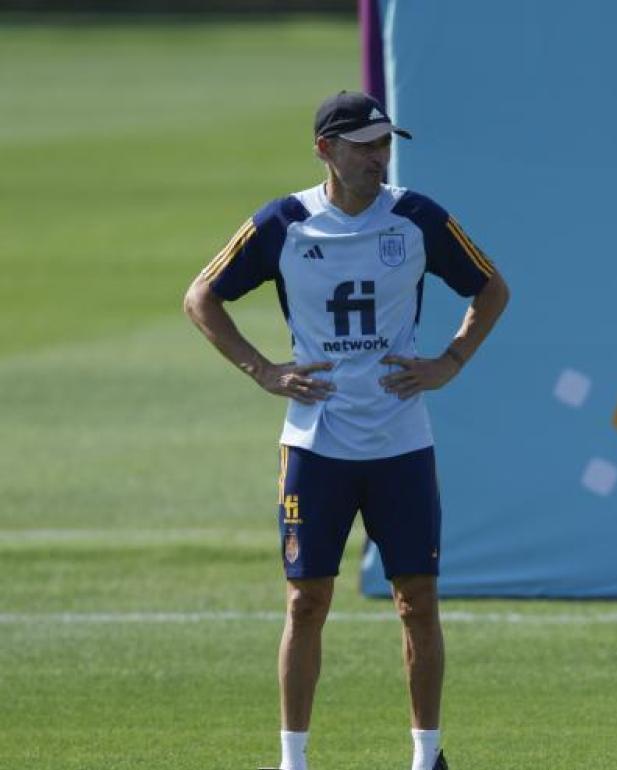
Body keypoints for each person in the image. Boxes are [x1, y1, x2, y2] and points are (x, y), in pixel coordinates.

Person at [183, 90, 509, 770]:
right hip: (315, 444)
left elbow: (490, 288)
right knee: (306, 601)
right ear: (326, 150)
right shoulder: (284, 222)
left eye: (385, 144)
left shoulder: (417, 218)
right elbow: (201, 296)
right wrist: (261, 370)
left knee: (416, 600)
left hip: (401, 441)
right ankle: (293, 761)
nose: (379, 157)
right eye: (365, 145)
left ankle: (427, 757)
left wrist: (449, 361)